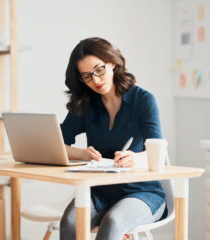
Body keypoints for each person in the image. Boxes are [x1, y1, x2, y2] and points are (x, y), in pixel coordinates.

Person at [59, 37, 167, 240]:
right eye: (87, 76)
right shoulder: (86, 103)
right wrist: (81, 153)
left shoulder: (143, 100)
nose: (96, 80)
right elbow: (57, 143)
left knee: (113, 221)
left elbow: (157, 153)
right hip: (100, 191)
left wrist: (135, 159)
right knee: (70, 222)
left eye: (99, 70)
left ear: (112, 62)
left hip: (142, 192)